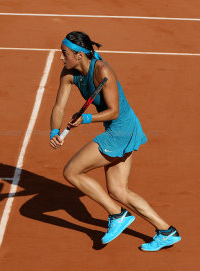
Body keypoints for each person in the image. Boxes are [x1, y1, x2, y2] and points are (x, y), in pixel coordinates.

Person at [49, 31, 181, 251]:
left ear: (80, 55)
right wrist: (55, 130)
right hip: (121, 129)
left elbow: (113, 111)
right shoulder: (68, 73)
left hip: (120, 129)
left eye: (65, 54)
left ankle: (117, 215)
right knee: (119, 191)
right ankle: (166, 231)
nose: (61, 58)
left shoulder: (103, 71)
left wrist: (85, 118)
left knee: (72, 172)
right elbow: (59, 107)